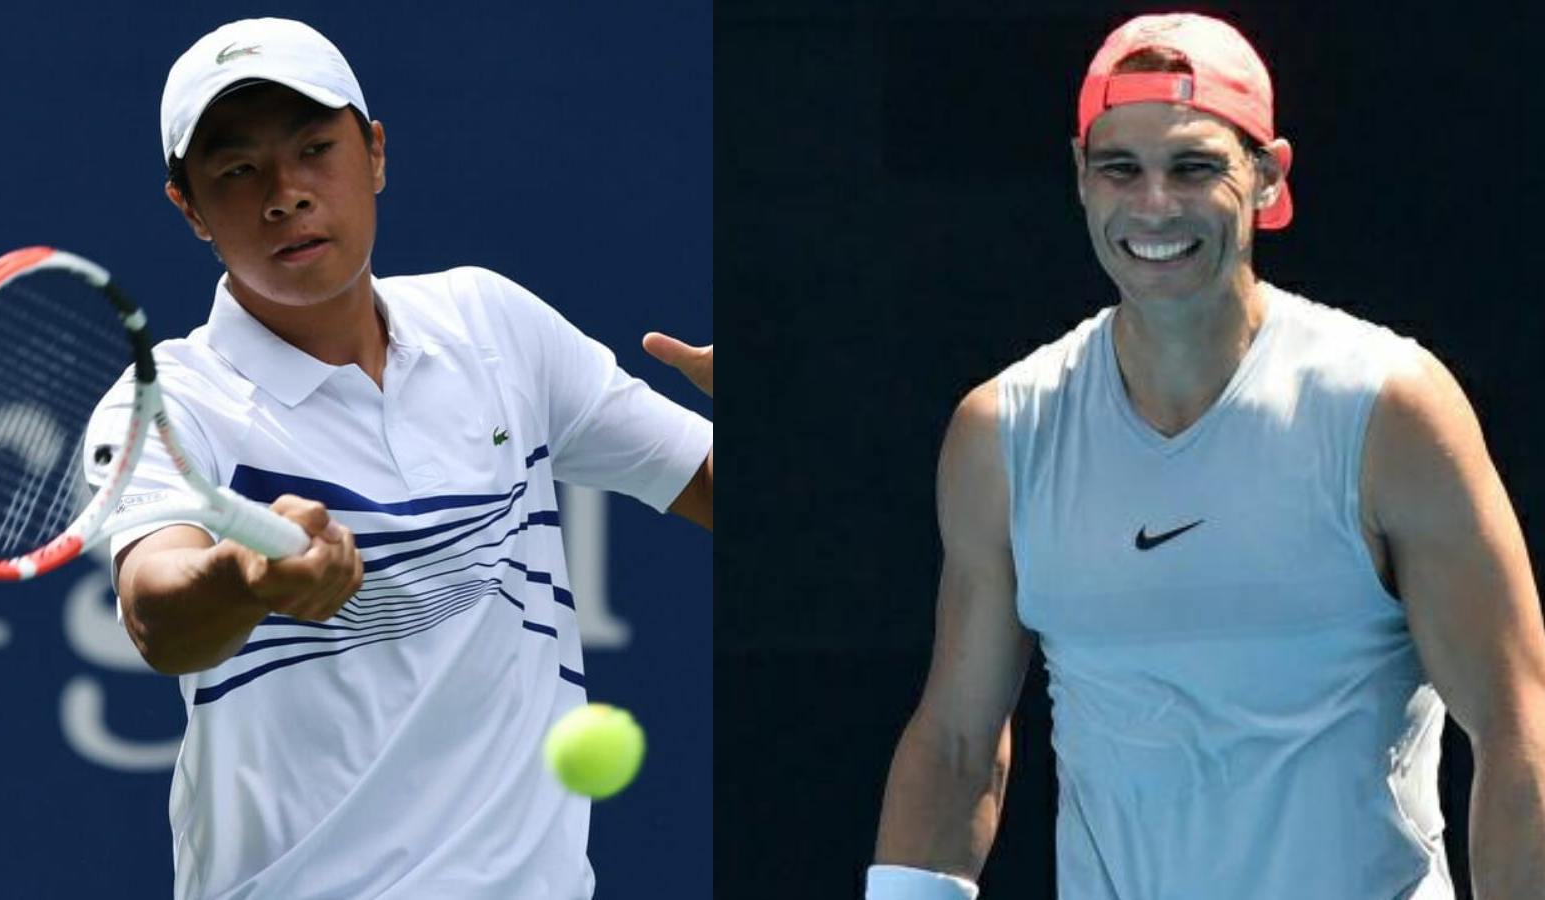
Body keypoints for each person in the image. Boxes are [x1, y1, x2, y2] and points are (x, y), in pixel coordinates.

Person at [868, 12, 1545, 899]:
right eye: (1122, 169)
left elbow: (1516, 726)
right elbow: (958, 746)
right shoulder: (1004, 432)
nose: (1155, 206)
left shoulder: (1389, 408)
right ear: (1081, 176)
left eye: (1194, 168)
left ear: (1267, 178)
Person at [81, 17, 712, 900]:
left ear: (374, 154)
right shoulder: (167, 403)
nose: (285, 194)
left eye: (314, 150)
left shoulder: (495, 327)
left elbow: (719, 489)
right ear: (187, 207)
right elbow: (157, 614)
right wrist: (245, 579)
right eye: (236, 169)